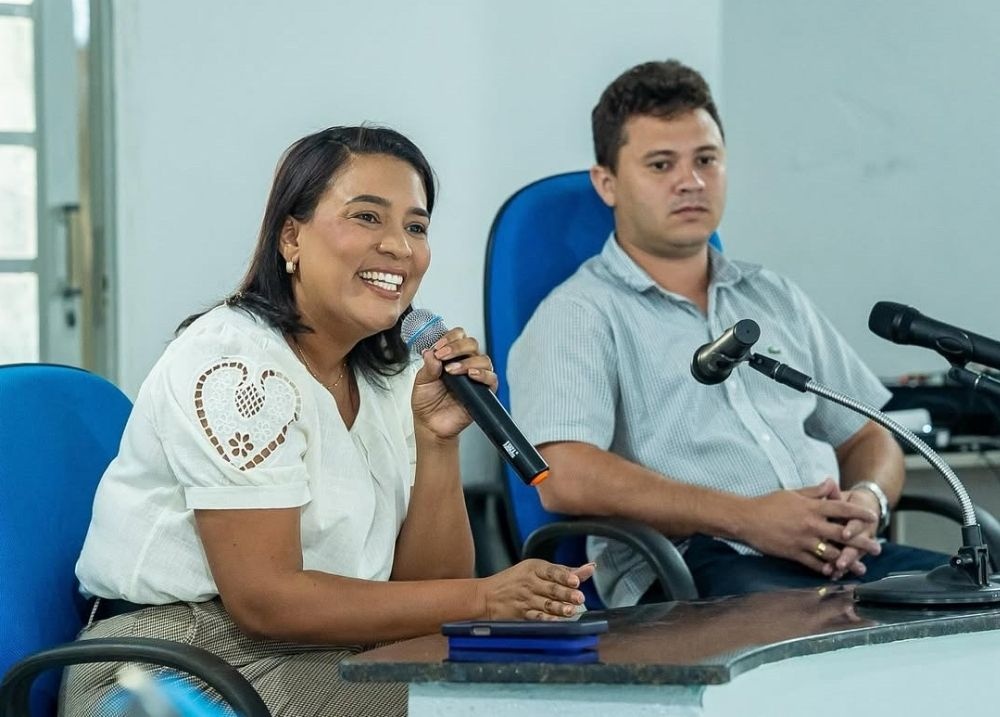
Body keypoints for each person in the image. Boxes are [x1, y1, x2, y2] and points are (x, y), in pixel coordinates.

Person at [62, 126, 593, 717]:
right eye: (367, 217)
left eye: (416, 227)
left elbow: (426, 594)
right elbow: (267, 603)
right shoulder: (236, 369)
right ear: (291, 236)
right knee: (482, 705)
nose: (398, 246)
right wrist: (487, 599)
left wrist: (435, 441)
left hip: (316, 648)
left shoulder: (390, 373)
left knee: (544, 689)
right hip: (173, 663)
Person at [507, 60, 946, 608]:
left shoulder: (772, 295)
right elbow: (561, 473)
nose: (690, 181)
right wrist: (748, 519)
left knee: (981, 594)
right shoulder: (580, 312)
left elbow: (867, 435)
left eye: (706, 160)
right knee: (824, 629)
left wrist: (869, 502)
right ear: (608, 184)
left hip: (841, 557)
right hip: (693, 569)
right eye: (661, 164)